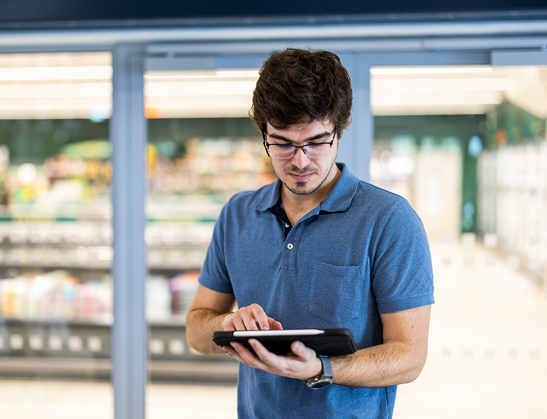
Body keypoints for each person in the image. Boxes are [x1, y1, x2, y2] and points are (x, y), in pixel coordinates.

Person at [185, 48, 434, 419]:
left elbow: (409, 357)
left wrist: (321, 369)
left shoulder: (389, 220)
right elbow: (196, 330)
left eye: (316, 142)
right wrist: (226, 325)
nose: (300, 160)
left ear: (340, 128)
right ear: (263, 134)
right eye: (283, 143)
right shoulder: (237, 215)